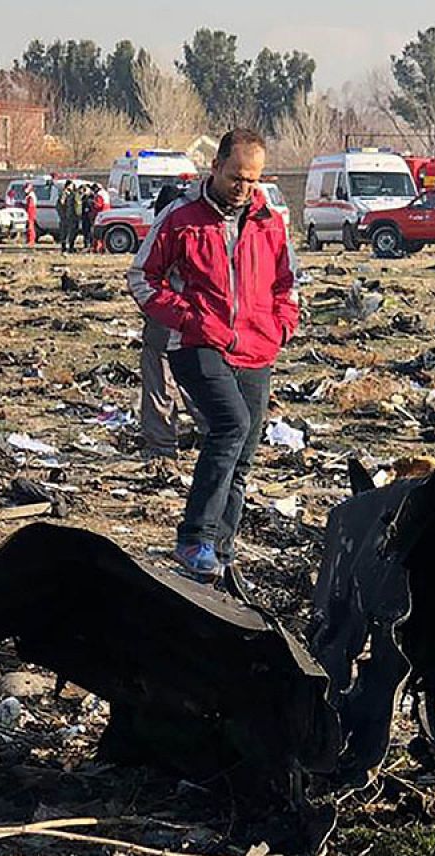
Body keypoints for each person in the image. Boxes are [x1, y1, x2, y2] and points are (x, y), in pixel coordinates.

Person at [128, 128, 298, 587]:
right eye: (237, 177)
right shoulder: (182, 217)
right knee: (231, 426)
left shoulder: (270, 221)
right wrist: (190, 319)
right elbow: (143, 278)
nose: (244, 187)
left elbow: (287, 283)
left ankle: (219, 553)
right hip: (196, 344)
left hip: (257, 346)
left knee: (242, 454)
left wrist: (282, 325)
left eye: (254, 179)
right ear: (217, 167)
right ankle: (194, 538)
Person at [56, 180, 80, 253]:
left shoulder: (73, 194)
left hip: (71, 216)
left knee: (72, 232)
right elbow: (60, 204)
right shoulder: (64, 193)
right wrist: (63, 215)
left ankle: (70, 247)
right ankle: (65, 247)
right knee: (65, 232)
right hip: (67, 217)